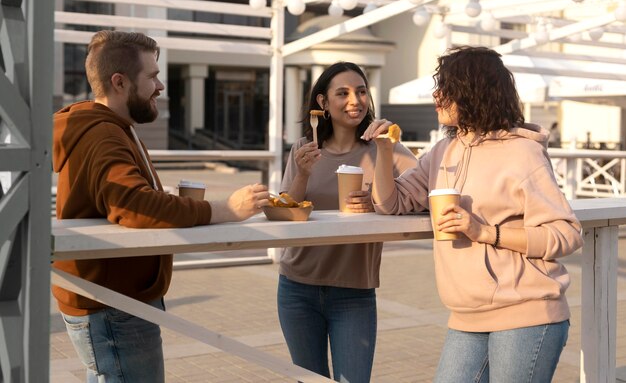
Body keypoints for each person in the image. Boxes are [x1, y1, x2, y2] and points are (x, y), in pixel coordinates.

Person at [52, 30, 270, 382]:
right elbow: (134, 205)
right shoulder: (103, 134)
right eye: (152, 76)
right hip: (114, 306)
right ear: (120, 82)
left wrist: (162, 193)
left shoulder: (110, 128)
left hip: (111, 300)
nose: (161, 86)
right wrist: (226, 209)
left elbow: (120, 196)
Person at [363, 46, 583, 382]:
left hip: (526, 311)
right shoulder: (443, 151)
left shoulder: (524, 153)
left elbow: (566, 234)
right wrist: (384, 149)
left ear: (474, 90)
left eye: (447, 87)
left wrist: (485, 232)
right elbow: (391, 203)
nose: (437, 95)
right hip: (466, 316)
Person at [277, 62, 417, 382]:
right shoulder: (304, 149)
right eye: (343, 93)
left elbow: (425, 192)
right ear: (323, 103)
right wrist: (301, 173)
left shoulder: (384, 147)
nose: (355, 100)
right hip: (297, 288)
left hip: (354, 292)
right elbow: (286, 211)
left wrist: (380, 200)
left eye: (361, 91)